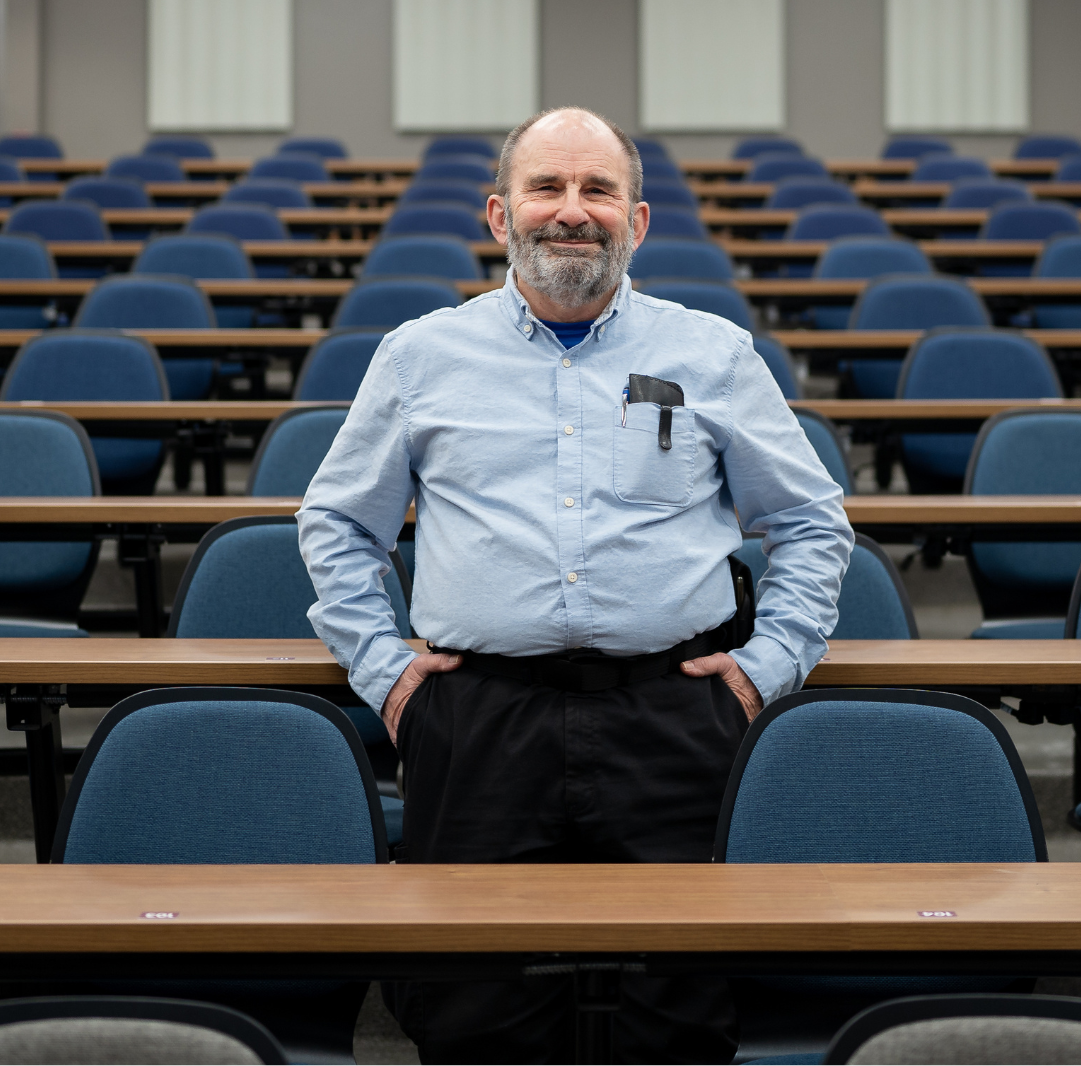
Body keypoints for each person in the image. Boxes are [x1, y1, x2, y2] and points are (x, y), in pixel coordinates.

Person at [297, 107, 852, 1063]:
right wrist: (383, 670)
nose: (571, 211)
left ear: (636, 221)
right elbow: (339, 524)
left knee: (676, 1011)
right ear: (498, 214)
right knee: (476, 1013)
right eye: (546, 188)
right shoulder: (422, 355)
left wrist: (769, 667)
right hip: (478, 721)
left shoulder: (711, 354)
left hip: (673, 719)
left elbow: (809, 523)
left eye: (599, 190)